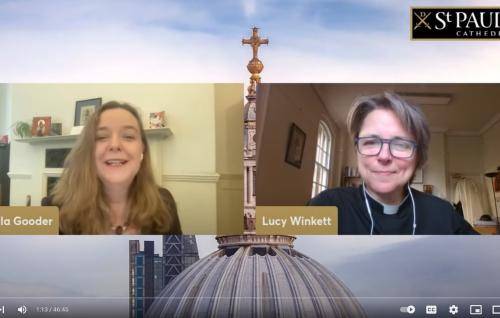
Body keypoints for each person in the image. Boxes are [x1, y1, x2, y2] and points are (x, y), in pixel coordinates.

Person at [309, 92, 477, 235]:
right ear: (357, 149)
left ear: (419, 156)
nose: (384, 156)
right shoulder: (326, 206)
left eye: (401, 144)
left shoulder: (443, 214)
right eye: (371, 141)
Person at [42, 101, 181, 235]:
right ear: (88, 151)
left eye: (128, 136)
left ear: (142, 149)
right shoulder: (52, 209)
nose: (115, 145)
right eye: (101, 137)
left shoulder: (164, 203)